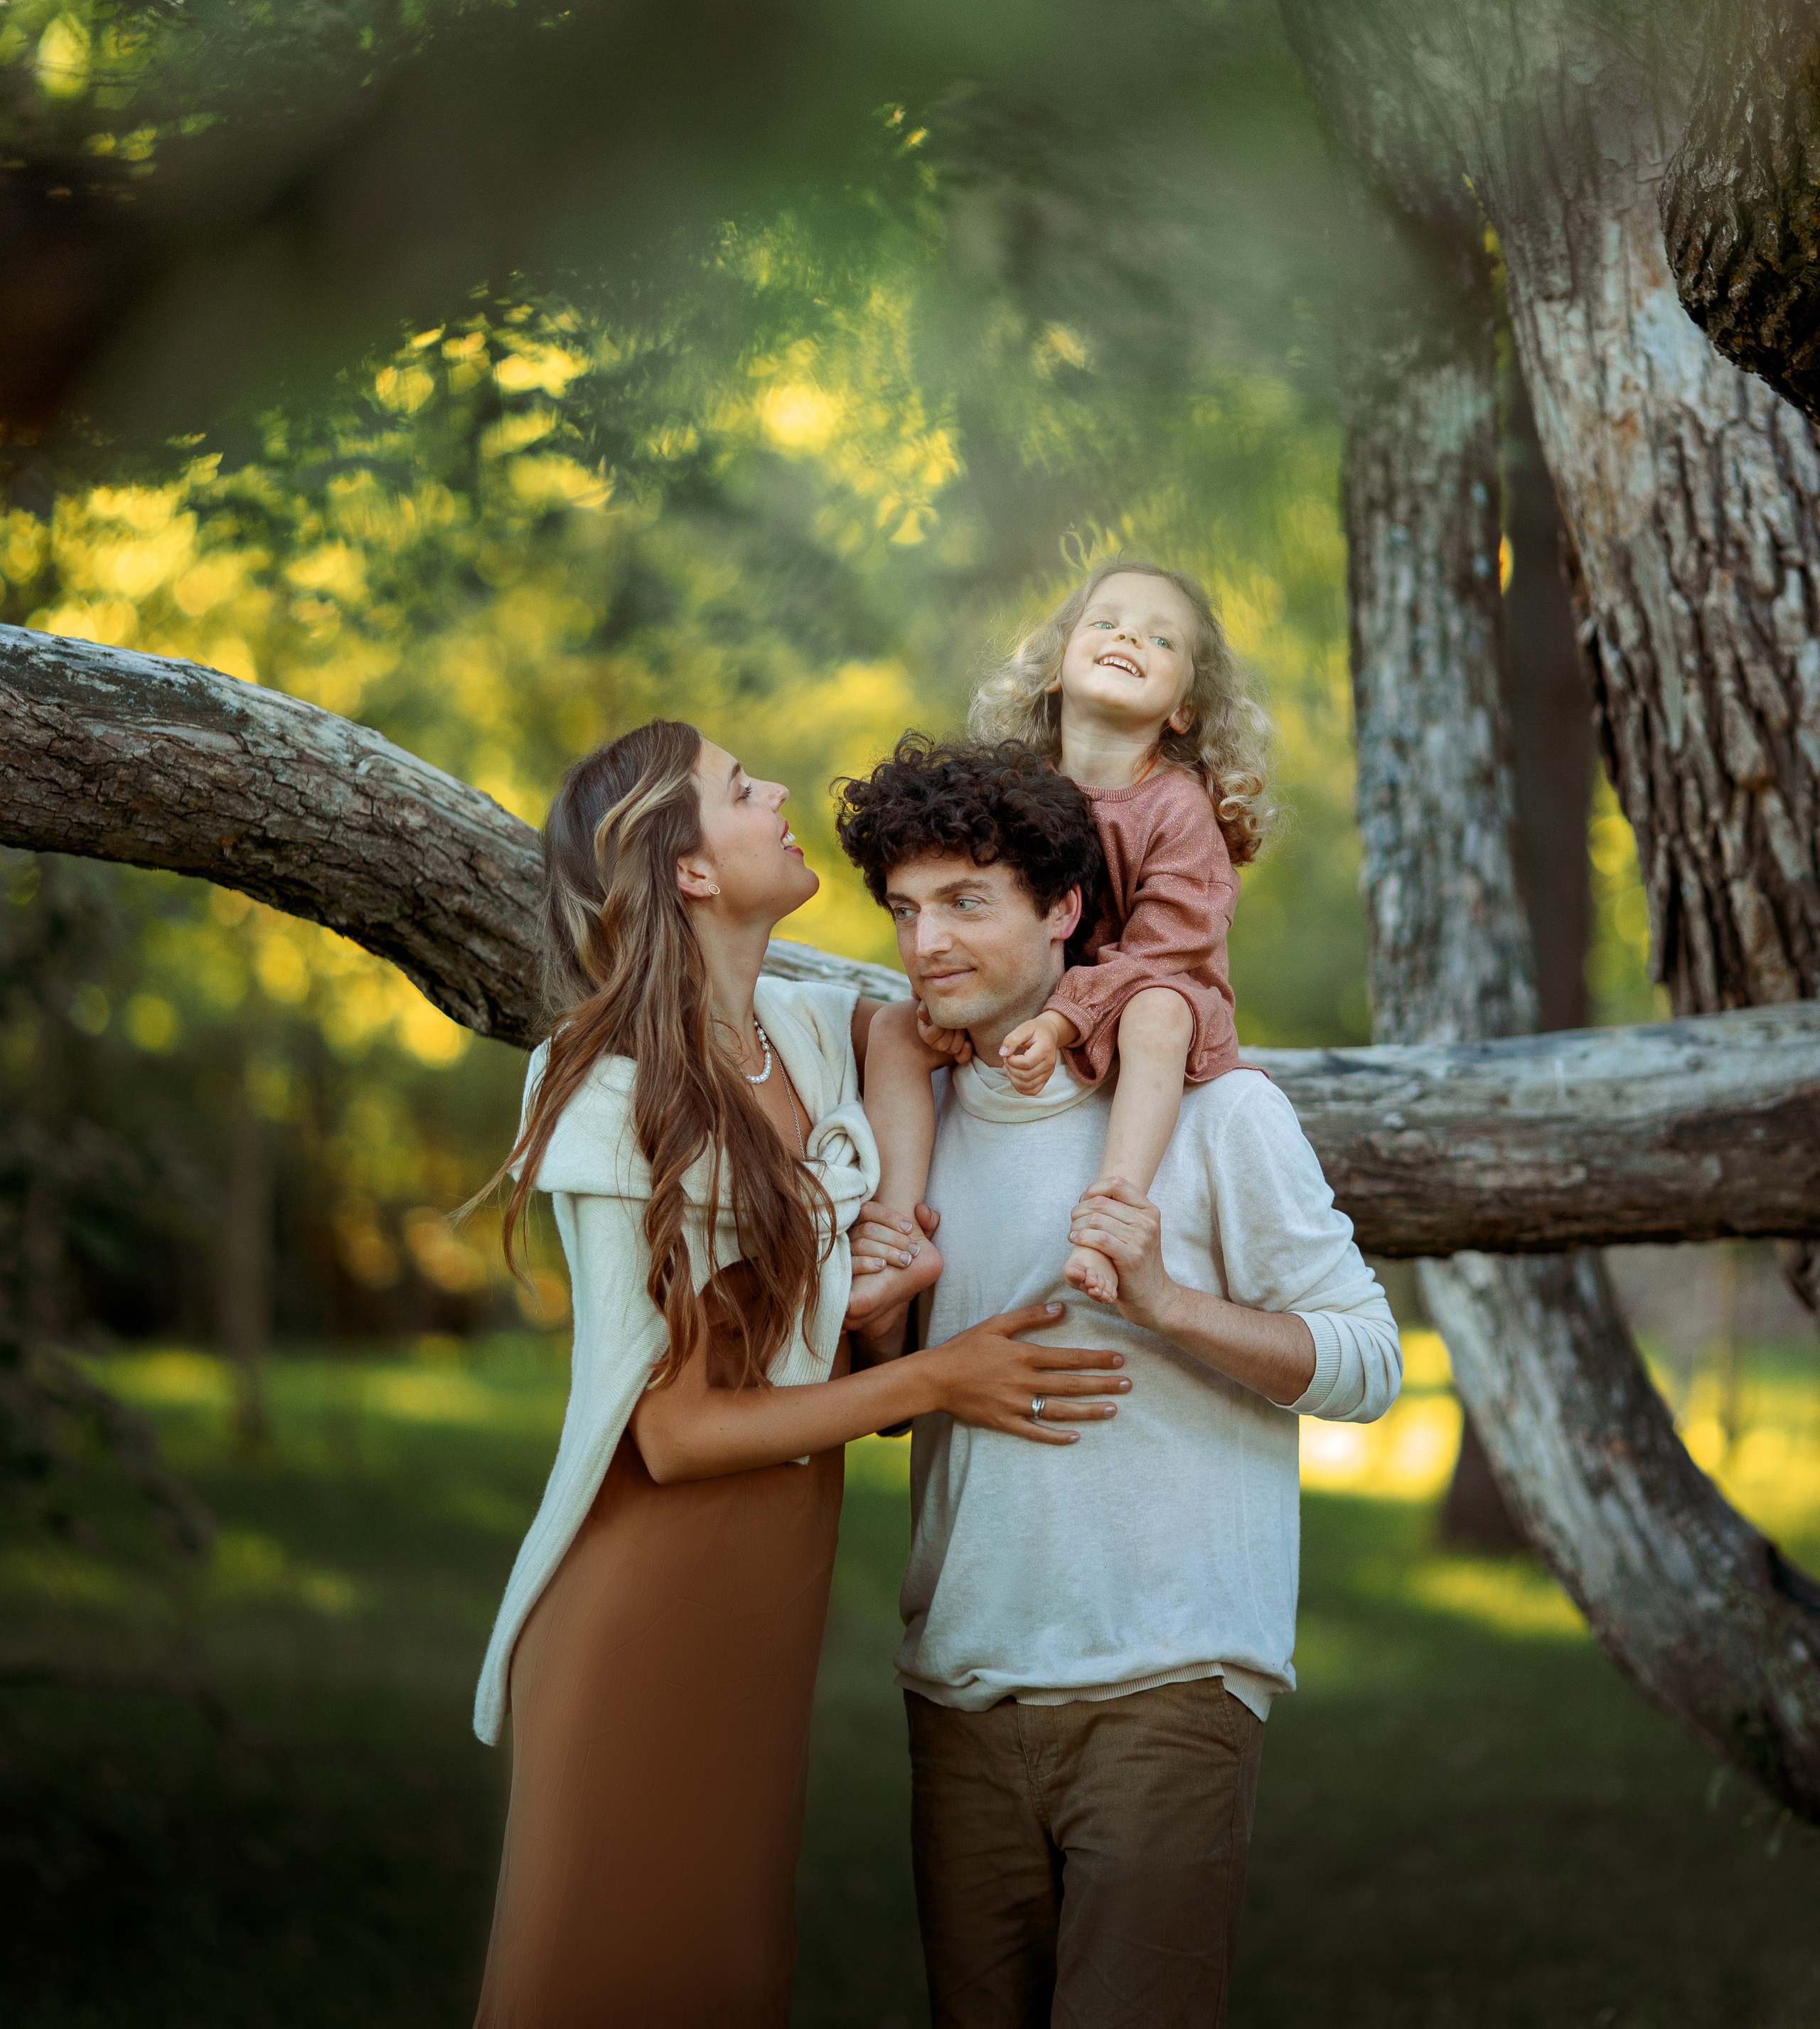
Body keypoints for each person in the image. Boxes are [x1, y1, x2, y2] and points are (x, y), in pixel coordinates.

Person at [466, 718, 1131, 2029]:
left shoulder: (807, 1031)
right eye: (735, 788)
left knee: (723, 1983)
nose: (774, 795)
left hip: (762, 1611)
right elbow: (676, 1433)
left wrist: (893, 1229)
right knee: (595, 1984)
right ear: (692, 871)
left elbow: (901, 1032)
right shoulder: (608, 1089)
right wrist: (937, 1382)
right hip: (642, 1605)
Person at [836, 737, 1402, 2028]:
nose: (927, 942)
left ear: (1066, 909)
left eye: (966, 902)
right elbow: (900, 1380)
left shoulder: (1215, 1113)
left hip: (1167, 1677)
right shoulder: (912, 1124)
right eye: (906, 910)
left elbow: (1371, 1361)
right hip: (961, 1681)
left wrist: (1165, 1303)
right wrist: (876, 1323)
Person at [855, 559, 1268, 1315]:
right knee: (891, 1029)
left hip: (1152, 1001)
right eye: (1105, 622)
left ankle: (1111, 1216)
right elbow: (978, 915)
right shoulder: (1018, 790)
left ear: (1183, 710)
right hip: (1044, 1008)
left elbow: (1165, 951)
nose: (1127, 638)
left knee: (1156, 1012)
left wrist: (1059, 1018)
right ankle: (895, 1233)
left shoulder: (1176, 808)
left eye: (1160, 639)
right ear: (1052, 669)